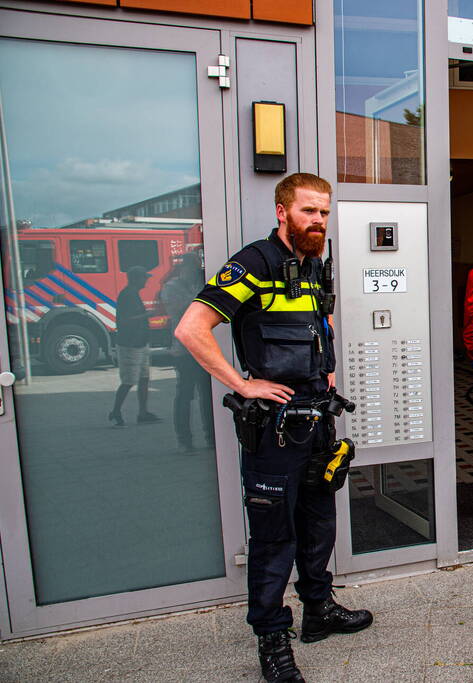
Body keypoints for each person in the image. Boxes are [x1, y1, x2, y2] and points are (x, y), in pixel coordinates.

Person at [174, 173, 371, 683]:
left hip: (316, 422)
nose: (318, 221)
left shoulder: (314, 265)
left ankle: (319, 610)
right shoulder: (255, 262)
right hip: (275, 432)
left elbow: (317, 325)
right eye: (308, 211)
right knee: (272, 537)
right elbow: (191, 328)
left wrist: (325, 368)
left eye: (325, 212)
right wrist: (243, 384)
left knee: (318, 523)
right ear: (282, 211)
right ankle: (272, 639)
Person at [160, 251, 213, 452]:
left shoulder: (200, 284)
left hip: (204, 348)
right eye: (193, 266)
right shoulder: (172, 287)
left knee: (207, 394)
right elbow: (183, 310)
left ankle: (210, 436)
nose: (196, 270)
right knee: (185, 395)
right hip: (184, 350)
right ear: (184, 268)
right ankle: (184, 438)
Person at [109, 265, 159, 426]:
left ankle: (142, 413)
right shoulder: (127, 295)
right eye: (144, 277)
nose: (146, 281)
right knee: (129, 380)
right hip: (130, 344)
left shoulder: (132, 294)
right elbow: (125, 320)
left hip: (140, 342)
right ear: (136, 279)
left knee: (144, 378)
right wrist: (148, 314)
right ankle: (116, 411)